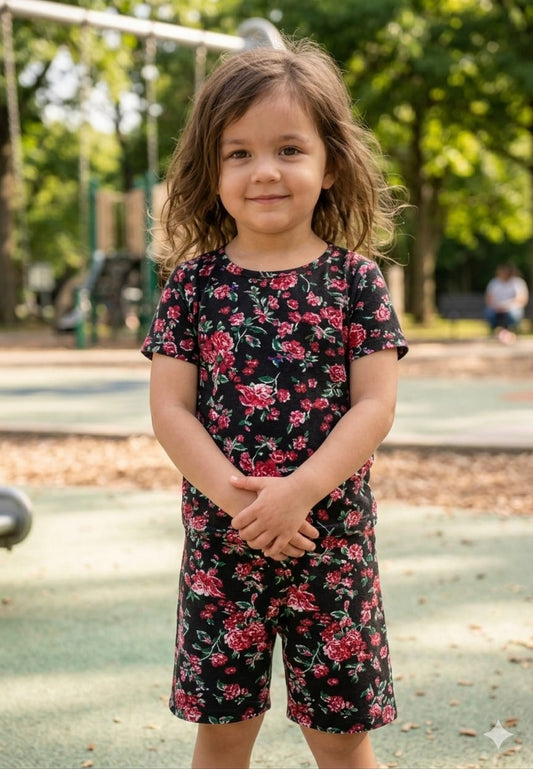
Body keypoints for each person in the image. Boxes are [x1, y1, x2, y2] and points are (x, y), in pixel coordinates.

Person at [142, 38, 408, 769]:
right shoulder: (193, 285)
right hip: (223, 549)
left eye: (289, 148)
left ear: (328, 165)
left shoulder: (355, 281)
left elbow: (374, 407)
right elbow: (171, 411)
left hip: (330, 544)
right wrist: (247, 506)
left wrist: (297, 495)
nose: (264, 170)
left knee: (341, 740)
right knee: (222, 735)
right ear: (212, 170)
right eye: (238, 153)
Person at [484, 263, 529, 344]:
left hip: (512, 308)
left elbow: (522, 299)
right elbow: (488, 299)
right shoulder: (494, 283)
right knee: (489, 313)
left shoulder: (517, 282)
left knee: (513, 314)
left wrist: (507, 305)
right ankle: (501, 333)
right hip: (496, 308)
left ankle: (507, 333)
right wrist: (498, 306)